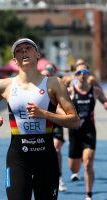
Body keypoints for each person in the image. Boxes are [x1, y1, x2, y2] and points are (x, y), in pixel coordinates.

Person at [0, 38, 80, 200]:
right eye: (19, 50)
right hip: (18, 157)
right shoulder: (4, 85)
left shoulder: (53, 83)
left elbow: (75, 121)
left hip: (46, 157)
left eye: (28, 48)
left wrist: (44, 114)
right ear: (14, 60)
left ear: (37, 54)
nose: (24, 51)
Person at [67, 62, 107, 200]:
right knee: (74, 168)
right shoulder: (70, 91)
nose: (82, 75)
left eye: (85, 72)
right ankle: (77, 162)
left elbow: (106, 101)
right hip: (74, 132)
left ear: (89, 74)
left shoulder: (95, 90)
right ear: (75, 75)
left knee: (88, 163)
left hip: (89, 131)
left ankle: (88, 194)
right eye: (79, 73)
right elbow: (58, 103)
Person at [41, 63, 67, 192]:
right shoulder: (36, 87)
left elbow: (64, 105)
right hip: (42, 123)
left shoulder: (57, 87)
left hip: (56, 122)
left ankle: (59, 177)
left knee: (56, 149)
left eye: (49, 73)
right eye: (44, 74)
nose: (46, 76)